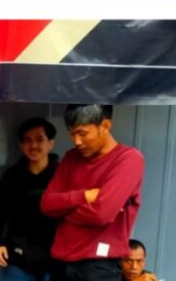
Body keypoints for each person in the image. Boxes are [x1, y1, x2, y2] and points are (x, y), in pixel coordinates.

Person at [41, 104, 145, 281]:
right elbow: (46, 204)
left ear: (105, 126)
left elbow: (101, 214)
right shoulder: (71, 157)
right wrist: (85, 196)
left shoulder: (129, 159)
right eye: (72, 134)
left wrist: (63, 212)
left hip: (98, 267)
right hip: (60, 262)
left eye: (82, 133)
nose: (76, 141)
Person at [0, 117, 60, 281]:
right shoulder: (12, 176)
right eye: (28, 140)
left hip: (55, 259)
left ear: (51, 143)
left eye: (39, 139)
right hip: (19, 258)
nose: (33, 145)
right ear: (21, 146)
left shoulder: (62, 175)